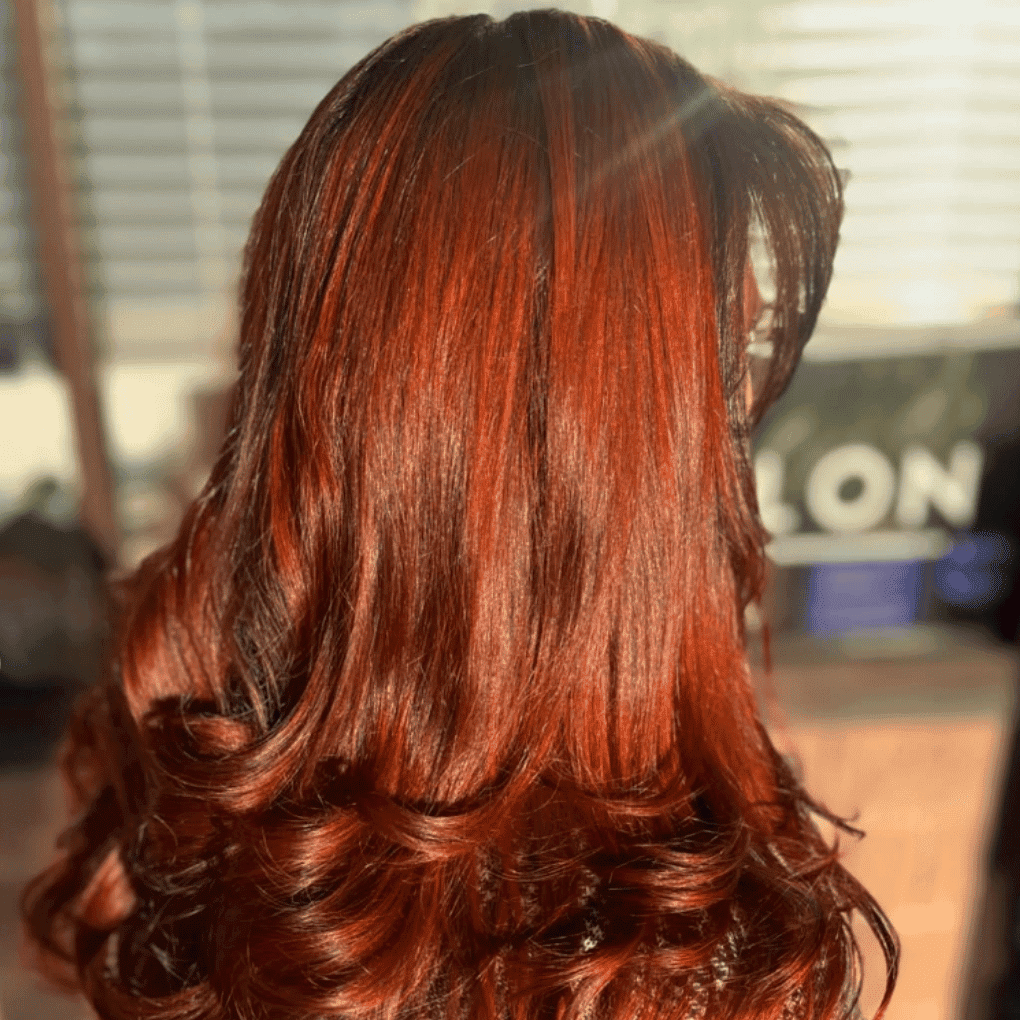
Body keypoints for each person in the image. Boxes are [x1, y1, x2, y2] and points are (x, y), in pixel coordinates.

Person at [21, 10, 898, 1020]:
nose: (733, 438)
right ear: (616, 454)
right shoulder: (679, 953)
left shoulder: (195, 763)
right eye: (721, 369)